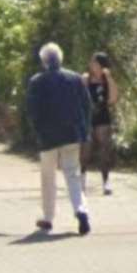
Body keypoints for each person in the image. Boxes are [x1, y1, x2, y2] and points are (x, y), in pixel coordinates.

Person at [26, 42, 91, 235]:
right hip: (72, 134)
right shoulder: (75, 78)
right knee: (73, 174)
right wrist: (84, 131)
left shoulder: (37, 81)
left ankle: (48, 218)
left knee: (48, 177)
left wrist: (37, 130)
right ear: (60, 59)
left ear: (44, 61)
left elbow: (32, 110)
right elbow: (86, 106)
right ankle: (81, 210)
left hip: (48, 137)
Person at [84, 52, 120, 196]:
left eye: (95, 63)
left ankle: (106, 182)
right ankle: (81, 181)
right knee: (85, 151)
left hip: (103, 117)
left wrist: (109, 78)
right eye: (91, 63)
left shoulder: (107, 80)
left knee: (104, 149)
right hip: (87, 117)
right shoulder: (86, 78)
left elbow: (112, 99)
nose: (92, 65)